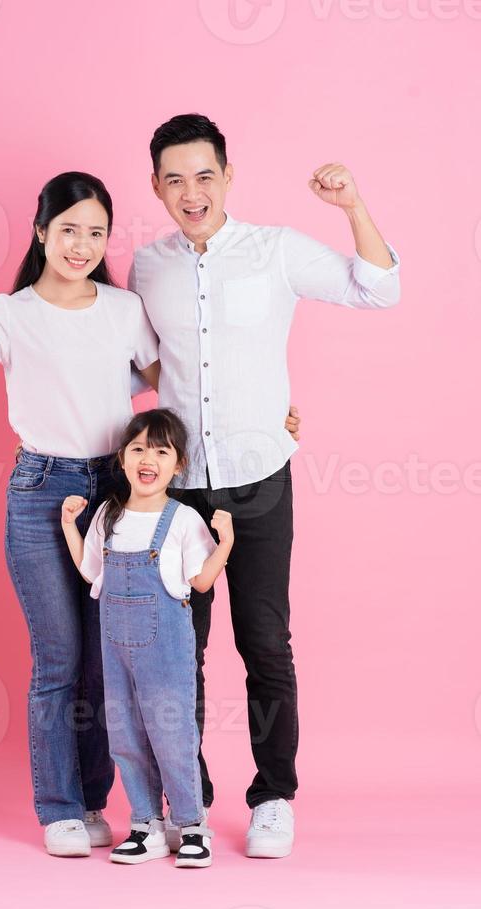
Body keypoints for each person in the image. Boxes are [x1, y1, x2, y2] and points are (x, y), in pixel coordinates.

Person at [128, 113, 401, 858]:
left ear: (228, 175)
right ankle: (189, 797)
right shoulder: (147, 267)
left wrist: (352, 206)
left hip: (259, 483)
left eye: (205, 175)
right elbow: (146, 366)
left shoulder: (274, 251)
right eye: (175, 179)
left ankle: (274, 795)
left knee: (265, 642)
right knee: (178, 647)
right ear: (155, 185)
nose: (192, 192)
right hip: (181, 491)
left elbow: (378, 288)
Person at [0, 171, 161, 857]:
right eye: (68, 230)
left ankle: (91, 801)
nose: (81, 245)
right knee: (58, 658)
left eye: (95, 232)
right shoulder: (10, 312)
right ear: (41, 233)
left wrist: (260, 415)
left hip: (116, 493)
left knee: (102, 664)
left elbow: (168, 387)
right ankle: (58, 808)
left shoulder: (121, 310)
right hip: (40, 489)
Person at [61, 408, 234, 868]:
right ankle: (145, 824)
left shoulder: (181, 520)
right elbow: (90, 571)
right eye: (138, 447)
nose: (147, 458)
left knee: (173, 734)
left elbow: (200, 582)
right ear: (122, 459)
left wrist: (226, 544)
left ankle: (192, 825)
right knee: (124, 735)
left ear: (178, 465)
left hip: (167, 651)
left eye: (161, 450)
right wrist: (68, 527)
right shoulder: (107, 515)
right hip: (115, 648)